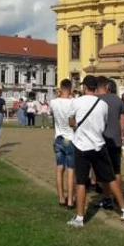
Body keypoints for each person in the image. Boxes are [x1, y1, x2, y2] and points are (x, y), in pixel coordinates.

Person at [66, 75, 124, 228]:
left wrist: (76, 125)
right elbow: (103, 124)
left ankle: (79, 218)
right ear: (96, 88)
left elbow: (71, 122)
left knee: (81, 182)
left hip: (81, 145)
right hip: (98, 144)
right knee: (110, 178)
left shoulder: (76, 102)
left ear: (84, 88)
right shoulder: (102, 104)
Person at [94, 76, 124, 213]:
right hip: (115, 139)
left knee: (103, 172)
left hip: (103, 139)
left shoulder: (98, 100)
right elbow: (123, 119)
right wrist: (121, 135)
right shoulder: (117, 99)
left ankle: (107, 196)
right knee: (116, 170)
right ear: (108, 87)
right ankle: (117, 195)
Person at [50, 79, 76, 208]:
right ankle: (70, 199)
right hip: (70, 138)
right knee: (71, 170)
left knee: (59, 168)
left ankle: (61, 197)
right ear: (70, 89)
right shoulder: (74, 103)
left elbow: (52, 112)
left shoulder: (53, 102)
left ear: (60, 89)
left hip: (58, 138)